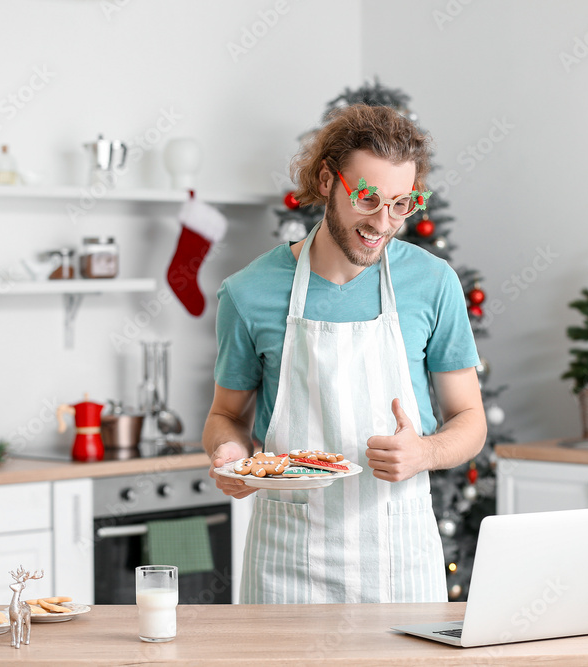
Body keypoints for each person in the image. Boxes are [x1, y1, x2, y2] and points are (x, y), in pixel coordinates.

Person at [203, 104, 486, 604]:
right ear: (327, 181)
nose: (384, 222)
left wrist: (426, 451)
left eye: (402, 204)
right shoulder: (249, 292)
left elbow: (470, 419)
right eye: (369, 198)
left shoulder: (432, 282)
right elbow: (226, 415)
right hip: (287, 563)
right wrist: (230, 454)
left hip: (401, 559)